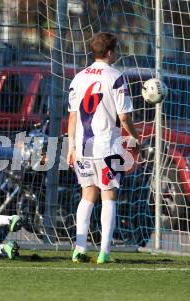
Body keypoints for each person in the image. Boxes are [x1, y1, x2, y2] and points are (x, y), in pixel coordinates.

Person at [67, 33, 140, 264]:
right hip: (108, 146)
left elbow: (72, 116)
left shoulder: (78, 78)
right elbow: (124, 117)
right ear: (109, 53)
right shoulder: (116, 77)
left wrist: (71, 147)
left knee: (87, 194)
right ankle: (104, 253)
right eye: (115, 50)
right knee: (109, 196)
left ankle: (79, 249)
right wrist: (135, 138)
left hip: (82, 147)